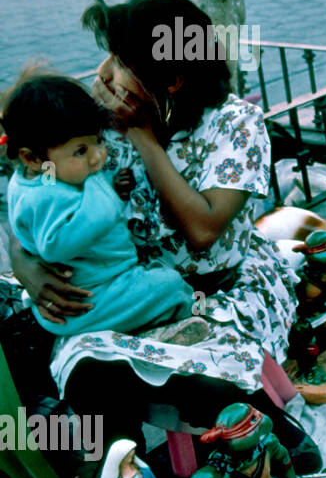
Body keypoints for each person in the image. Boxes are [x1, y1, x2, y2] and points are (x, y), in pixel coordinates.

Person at [5, 0, 317, 470]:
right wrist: (26, 264)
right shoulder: (98, 127)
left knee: (198, 363)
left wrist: (144, 139)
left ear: (171, 80)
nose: (104, 73)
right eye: (108, 56)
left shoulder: (235, 125)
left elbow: (201, 230)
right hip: (128, 293)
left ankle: (262, 426)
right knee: (85, 371)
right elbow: (27, 179)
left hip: (224, 293)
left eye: (123, 63)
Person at [2, 71, 193, 337]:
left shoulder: (42, 175)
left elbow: (72, 208)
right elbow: (57, 245)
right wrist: (105, 190)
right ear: (32, 158)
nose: (99, 157)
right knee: (171, 287)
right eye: (81, 151)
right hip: (93, 299)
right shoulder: (45, 193)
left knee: (160, 286)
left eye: (99, 141)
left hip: (99, 291)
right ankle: (179, 327)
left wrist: (111, 187)